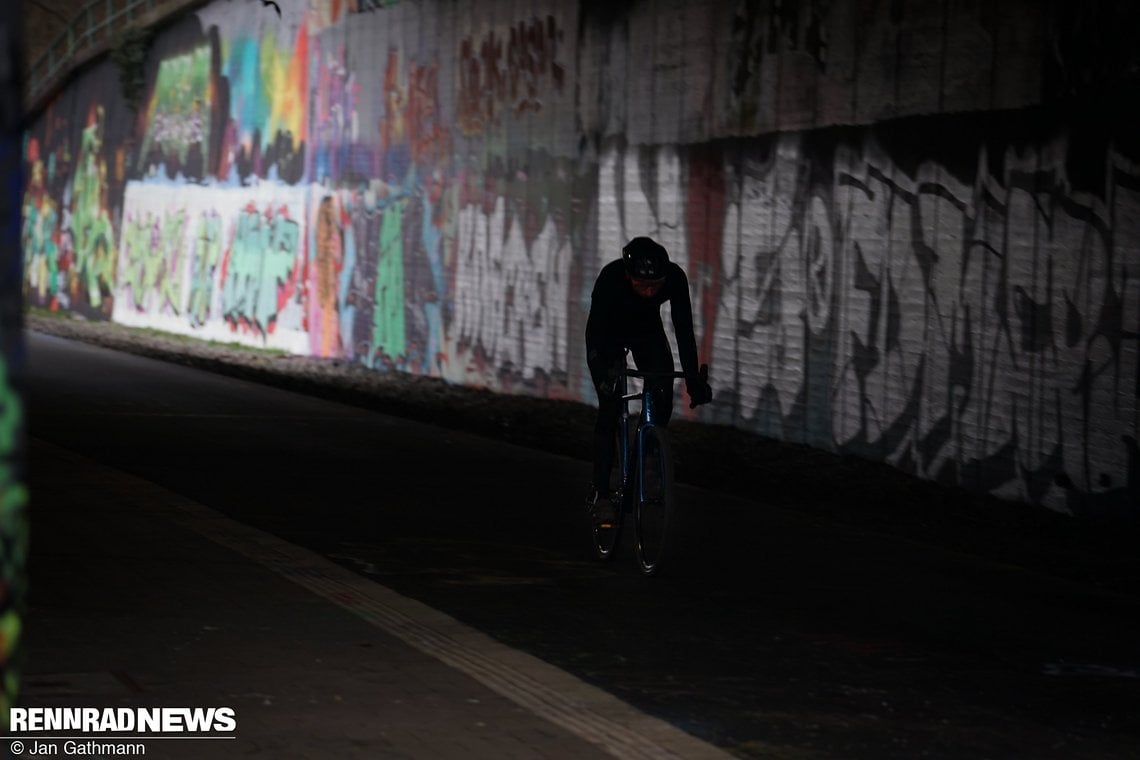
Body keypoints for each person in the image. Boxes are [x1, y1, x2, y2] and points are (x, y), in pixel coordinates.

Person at [584, 236, 713, 522]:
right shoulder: (610, 279)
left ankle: (649, 455)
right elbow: (595, 335)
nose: (649, 291)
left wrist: (693, 382)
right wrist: (603, 374)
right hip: (609, 334)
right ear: (627, 276)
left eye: (655, 286)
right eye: (641, 285)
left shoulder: (675, 280)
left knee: (661, 392)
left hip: (646, 333)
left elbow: (683, 330)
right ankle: (601, 494)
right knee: (610, 407)